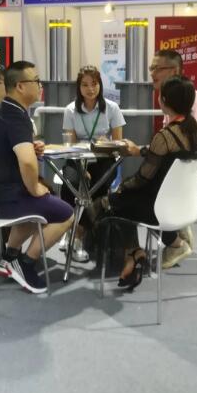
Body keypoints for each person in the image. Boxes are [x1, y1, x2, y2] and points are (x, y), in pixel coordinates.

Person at [95, 76, 197, 289]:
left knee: (112, 203)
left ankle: (133, 253)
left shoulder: (165, 136)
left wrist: (122, 186)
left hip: (158, 208)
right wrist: (140, 151)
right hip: (185, 205)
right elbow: (165, 156)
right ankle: (141, 252)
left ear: (163, 100)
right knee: (121, 201)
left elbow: (143, 177)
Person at [0, 60, 74, 294]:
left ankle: (9, 257)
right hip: (6, 199)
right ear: (20, 86)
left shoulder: (3, 110)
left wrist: (29, 148)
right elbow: (26, 161)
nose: (40, 85)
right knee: (66, 214)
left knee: (39, 207)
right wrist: (34, 188)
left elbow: (11, 151)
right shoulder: (17, 116)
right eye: (36, 81)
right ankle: (25, 264)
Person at [59, 65, 126, 262]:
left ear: (100, 85)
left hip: (104, 158)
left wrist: (108, 143)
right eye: (85, 85)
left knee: (98, 186)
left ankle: (79, 236)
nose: (90, 89)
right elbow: (70, 145)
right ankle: (67, 229)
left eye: (94, 84)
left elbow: (119, 145)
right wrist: (81, 169)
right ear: (78, 87)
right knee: (70, 184)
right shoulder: (70, 110)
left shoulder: (112, 108)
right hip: (78, 159)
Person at [150, 49, 197, 199]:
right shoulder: (172, 100)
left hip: (195, 178)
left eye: (157, 69)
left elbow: (185, 149)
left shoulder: (191, 100)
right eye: (151, 68)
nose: (152, 74)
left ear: (174, 71)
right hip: (179, 173)